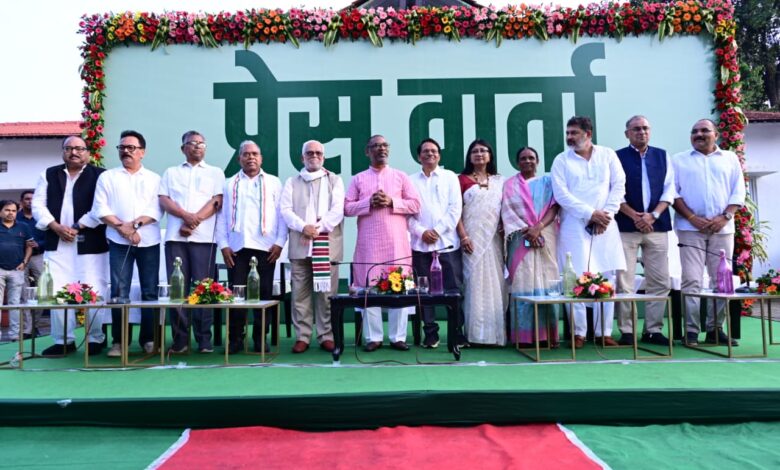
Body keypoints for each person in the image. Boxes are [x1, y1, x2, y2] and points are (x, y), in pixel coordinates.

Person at [551, 116, 626, 348]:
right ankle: (578, 333)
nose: (569, 137)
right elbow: (561, 195)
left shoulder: (607, 155)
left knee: (607, 275)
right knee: (574, 277)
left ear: (588, 134)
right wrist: (590, 213)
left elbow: (619, 186)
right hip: (574, 225)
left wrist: (606, 215)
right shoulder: (561, 160)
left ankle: (604, 332)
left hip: (606, 225)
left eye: (574, 133)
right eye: (568, 133)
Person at [32, 136, 109, 356]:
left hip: (91, 243)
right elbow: (38, 205)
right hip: (57, 243)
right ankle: (63, 340)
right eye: (69, 148)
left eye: (79, 148)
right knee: (57, 290)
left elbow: (101, 207)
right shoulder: (48, 174)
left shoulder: (101, 175)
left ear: (88, 153)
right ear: (62, 151)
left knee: (94, 289)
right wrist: (55, 226)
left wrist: (78, 226)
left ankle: (95, 338)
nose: (74, 152)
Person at [672, 118, 745, 346]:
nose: (699, 134)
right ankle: (691, 331)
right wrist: (692, 218)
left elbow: (738, 191)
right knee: (691, 280)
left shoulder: (730, 158)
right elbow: (673, 193)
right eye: (694, 131)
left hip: (722, 229)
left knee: (721, 281)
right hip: (689, 229)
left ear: (716, 135)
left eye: (705, 130)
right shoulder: (679, 160)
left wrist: (725, 217)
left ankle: (715, 329)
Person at [344, 135, 421, 352]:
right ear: (367, 152)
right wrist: (368, 202)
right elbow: (347, 208)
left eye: (385, 145)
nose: (381, 149)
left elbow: (416, 204)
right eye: (376, 146)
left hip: (396, 241)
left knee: (400, 285)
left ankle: (398, 337)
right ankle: (374, 337)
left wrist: (391, 201)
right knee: (369, 285)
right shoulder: (358, 179)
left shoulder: (400, 176)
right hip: (369, 242)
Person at [92, 130, 162, 357]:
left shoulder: (154, 178)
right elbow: (100, 208)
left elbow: (156, 208)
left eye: (131, 148)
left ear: (142, 152)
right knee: (119, 292)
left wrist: (135, 225)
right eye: (122, 147)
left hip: (148, 241)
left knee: (149, 291)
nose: (126, 151)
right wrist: (122, 228)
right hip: (118, 241)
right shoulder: (108, 177)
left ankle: (149, 339)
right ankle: (119, 342)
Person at [216, 140, 287, 354]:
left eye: (255, 154)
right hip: (237, 248)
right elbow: (222, 217)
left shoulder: (274, 182)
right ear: (239, 159)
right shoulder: (229, 183)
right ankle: (236, 338)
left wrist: (279, 242)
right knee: (237, 295)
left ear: (261, 158)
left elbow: (281, 215)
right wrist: (224, 245)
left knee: (264, 295)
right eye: (246, 154)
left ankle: (260, 337)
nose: (251, 157)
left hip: (266, 248)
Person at [159, 130, 225, 354]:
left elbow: (217, 200)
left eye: (201, 143)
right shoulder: (171, 172)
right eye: (192, 143)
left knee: (203, 289)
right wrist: (185, 217)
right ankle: (180, 341)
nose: (197, 146)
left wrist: (194, 221)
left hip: (204, 239)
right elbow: (164, 200)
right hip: (176, 238)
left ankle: (204, 340)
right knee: (178, 289)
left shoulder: (215, 172)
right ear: (183, 148)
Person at [615, 116, 675, 346]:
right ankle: (627, 331)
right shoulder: (617, 157)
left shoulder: (662, 155)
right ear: (627, 134)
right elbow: (614, 192)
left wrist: (653, 215)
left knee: (659, 281)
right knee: (625, 281)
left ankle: (653, 330)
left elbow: (669, 190)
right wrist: (635, 216)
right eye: (636, 129)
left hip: (657, 226)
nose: (641, 132)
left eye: (645, 128)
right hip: (626, 226)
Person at [280, 140, 343, 354]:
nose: (314, 156)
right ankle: (303, 336)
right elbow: (286, 210)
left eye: (318, 153)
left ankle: (326, 335)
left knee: (326, 295)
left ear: (323, 157)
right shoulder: (292, 182)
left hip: (327, 246)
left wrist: (317, 228)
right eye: (309, 153)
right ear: (302, 158)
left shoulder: (334, 180)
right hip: (300, 246)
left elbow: (337, 210)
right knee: (300, 294)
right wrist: (303, 227)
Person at [409, 138, 464, 349]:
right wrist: (422, 232)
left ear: (439, 155)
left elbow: (455, 209)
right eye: (425, 151)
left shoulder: (450, 177)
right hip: (420, 246)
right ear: (418, 156)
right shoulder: (410, 181)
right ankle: (430, 333)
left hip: (447, 244)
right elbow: (407, 214)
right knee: (424, 292)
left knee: (453, 289)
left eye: (434, 151)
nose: (430, 154)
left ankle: (457, 333)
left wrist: (437, 231)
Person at [502, 147, 560, 346]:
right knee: (522, 283)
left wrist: (538, 227)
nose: (527, 161)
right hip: (520, 238)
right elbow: (507, 213)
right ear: (517, 162)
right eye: (523, 158)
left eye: (531, 158)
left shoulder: (548, 182)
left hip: (545, 235)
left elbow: (554, 207)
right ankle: (523, 337)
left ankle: (547, 336)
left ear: (537, 161)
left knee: (546, 282)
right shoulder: (509, 185)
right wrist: (528, 230)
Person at [456, 139, 507, 346]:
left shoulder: (500, 181)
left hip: (494, 240)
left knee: (495, 283)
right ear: (469, 157)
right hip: (471, 239)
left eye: (483, 150)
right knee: (474, 284)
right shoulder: (461, 180)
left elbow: (506, 209)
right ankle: (475, 335)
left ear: (490, 155)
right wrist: (464, 236)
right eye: (475, 151)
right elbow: (456, 213)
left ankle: (495, 335)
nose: (479, 154)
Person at [0, 200, 33, 342]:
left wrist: (24, 262)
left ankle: (14, 335)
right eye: (7, 210)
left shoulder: (24, 227)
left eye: (13, 211)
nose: (11, 213)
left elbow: (29, 246)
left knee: (15, 303)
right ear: (0, 211)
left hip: (17, 269)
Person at [16, 190, 46, 338]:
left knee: (43, 292)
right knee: (24, 293)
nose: (30, 201)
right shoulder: (16, 218)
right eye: (27, 199)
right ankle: (27, 329)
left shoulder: (42, 218)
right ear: (22, 202)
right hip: (20, 258)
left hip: (39, 256)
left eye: (32, 199)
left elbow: (50, 237)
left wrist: (38, 244)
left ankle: (35, 325)